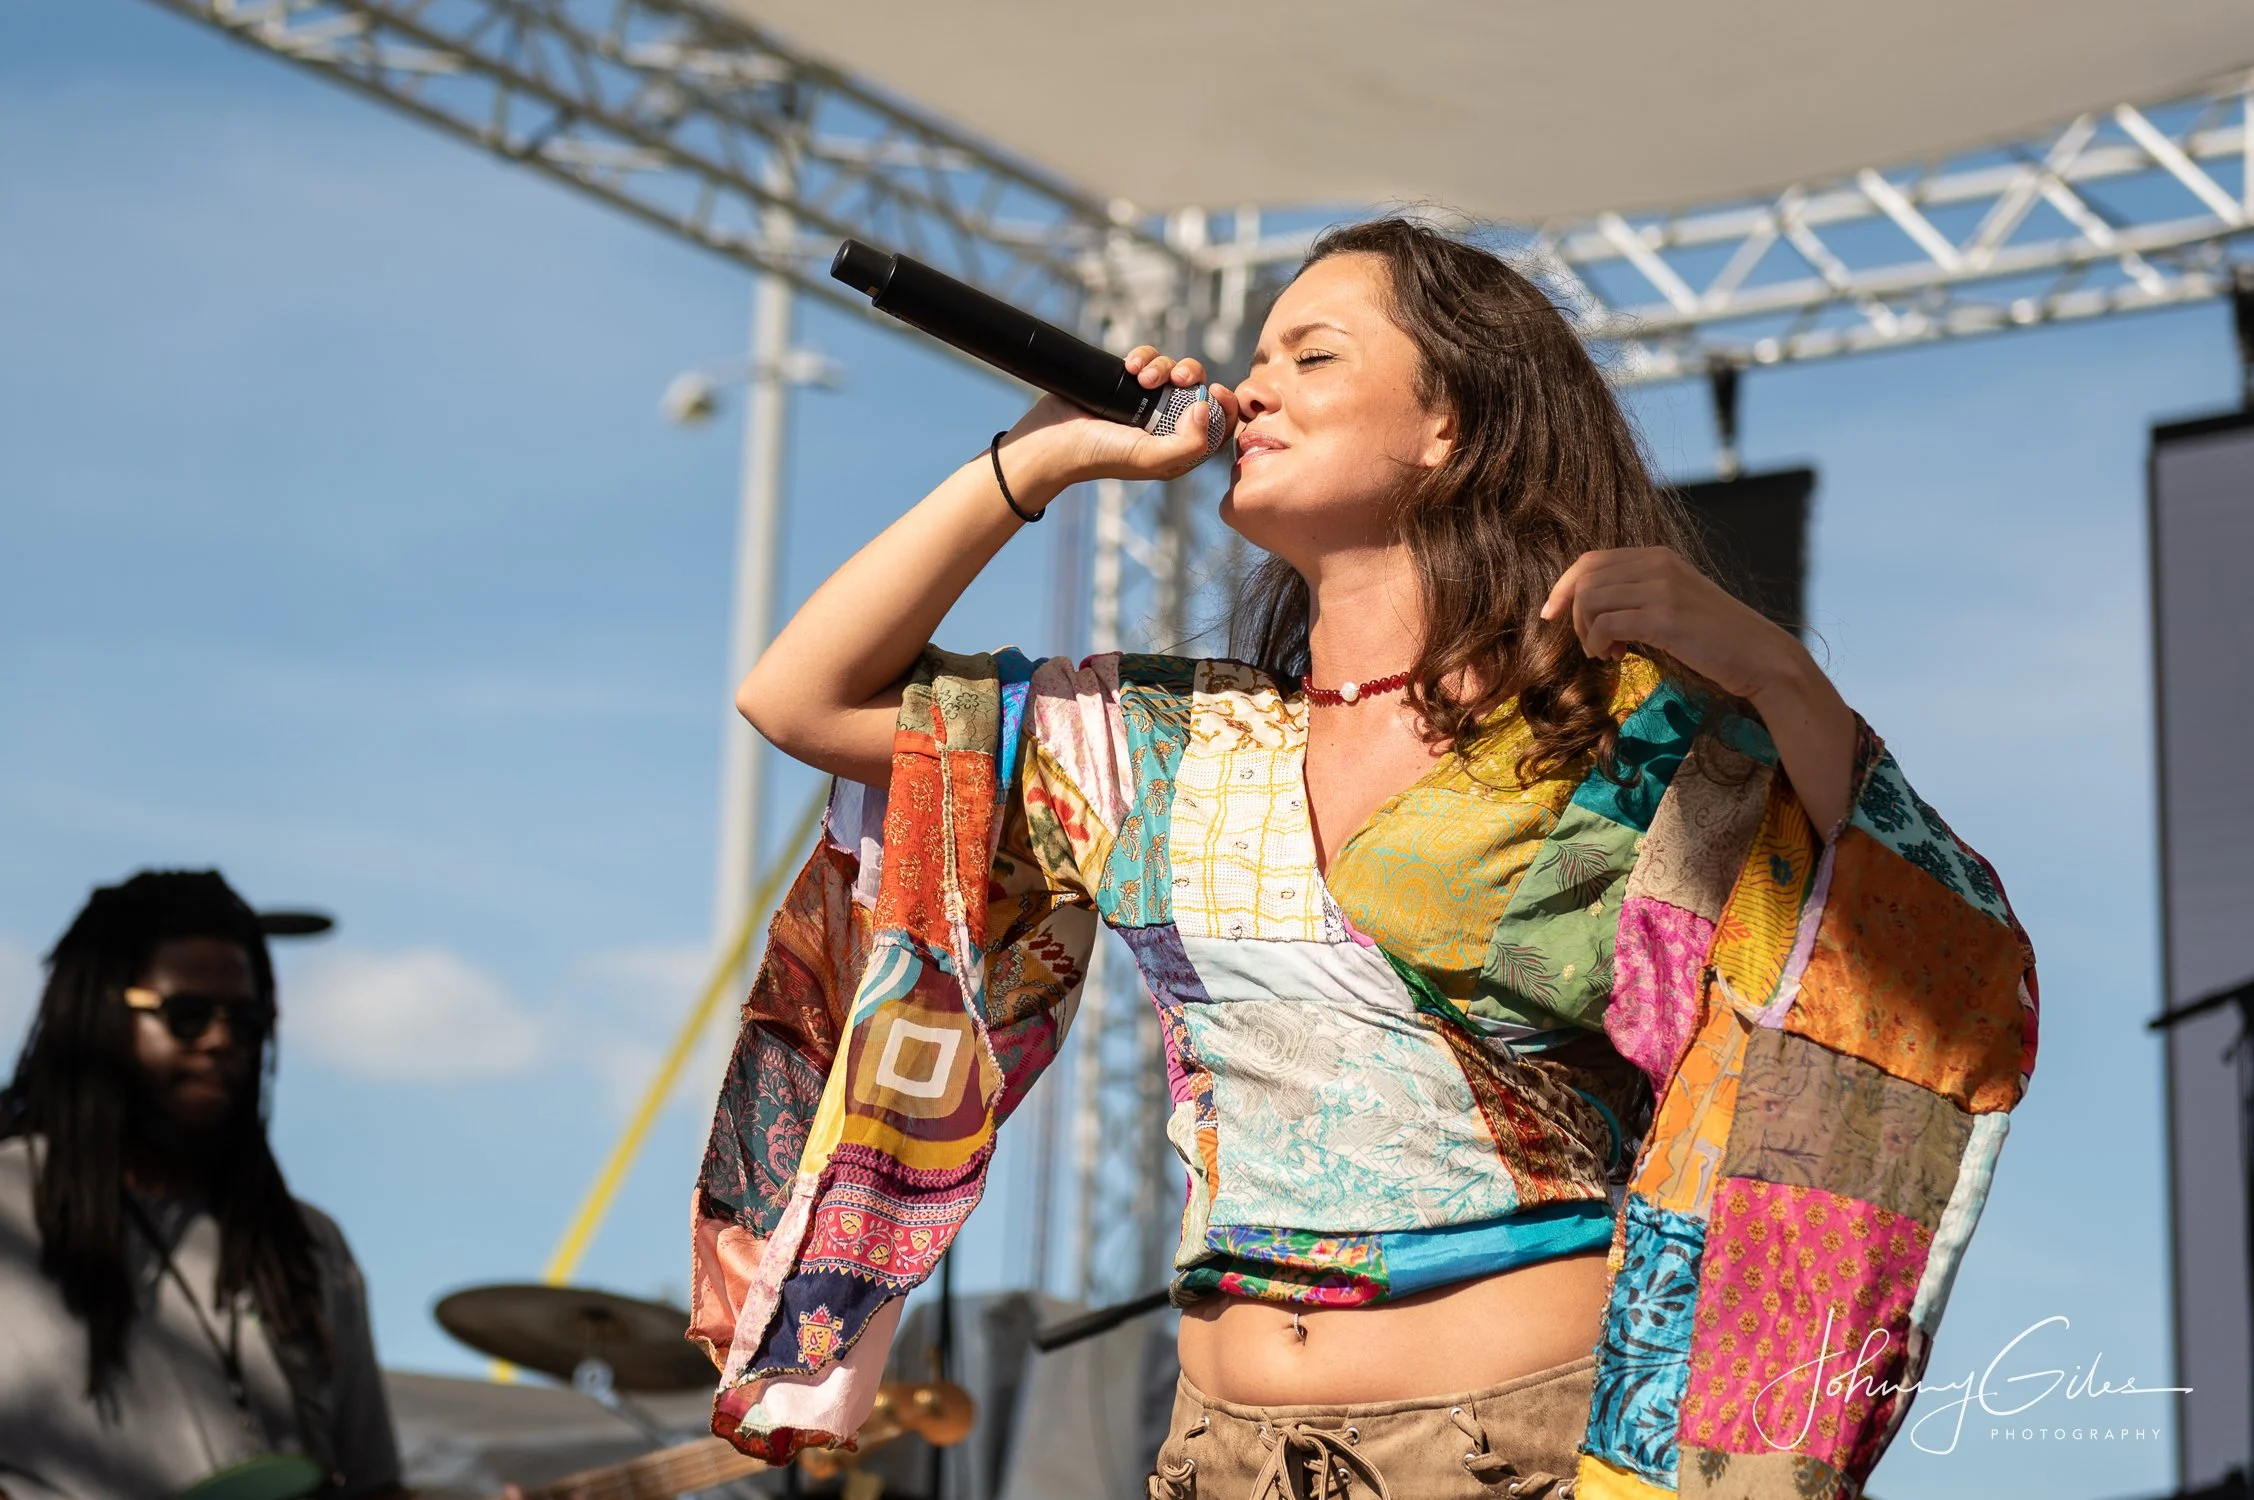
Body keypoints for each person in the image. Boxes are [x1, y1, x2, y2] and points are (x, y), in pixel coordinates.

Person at [689, 216, 2040, 1499]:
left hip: (1511, 1440)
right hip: (1218, 1450)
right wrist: (1032, 465)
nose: (1250, 389)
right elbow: (799, 697)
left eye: (1311, 355)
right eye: (1255, 357)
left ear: (1451, 423)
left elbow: (1920, 944)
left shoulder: (1608, 732)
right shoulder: (1158, 743)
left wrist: (1773, 674)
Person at [0, 870, 405, 1500]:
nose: (221, 1040)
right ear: (94, 1013)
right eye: (186, 1015)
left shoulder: (305, 1246)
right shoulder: (8, 1206)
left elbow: (373, 1486)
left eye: (246, 1020)